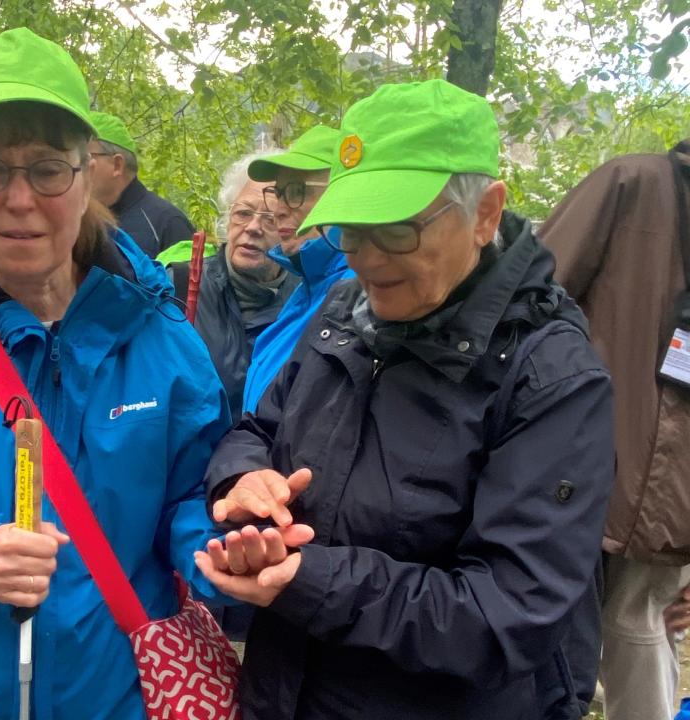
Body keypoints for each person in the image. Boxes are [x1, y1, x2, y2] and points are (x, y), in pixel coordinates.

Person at [0, 28, 303, 719]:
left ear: (86, 176)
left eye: (46, 168)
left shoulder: (157, 335)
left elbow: (191, 496)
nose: (19, 199)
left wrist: (226, 552)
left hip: (117, 694)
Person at [194, 79, 616, 720]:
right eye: (350, 230)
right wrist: (244, 477)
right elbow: (258, 427)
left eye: (393, 229)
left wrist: (309, 580)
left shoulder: (550, 377)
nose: (364, 258)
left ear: (486, 213)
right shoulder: (343, 313)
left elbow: (508, 614)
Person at [539, 141, 690, 720]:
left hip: (637, 489)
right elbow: (530, 298)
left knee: (634, 624)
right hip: (591, 471)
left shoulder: (632, 182)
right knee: (628, 628)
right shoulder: (632, 185)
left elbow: (527, 295)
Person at [167, 154, 300, 423]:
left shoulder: (306, 300)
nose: (252, 228)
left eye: (270, 219)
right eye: (243, 214)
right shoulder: (178, 286)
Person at [242, 125, 355, 413]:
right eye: (278, 193)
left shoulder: (360, 294)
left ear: (342, 194)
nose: (278, 208)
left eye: (296, 192)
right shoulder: (307, 289)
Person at [87, 110, 194, 258]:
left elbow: (188, 279)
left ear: (117, 165)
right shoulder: (78, 218)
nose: (76, 165)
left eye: (85, 157)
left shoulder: (168, 223)